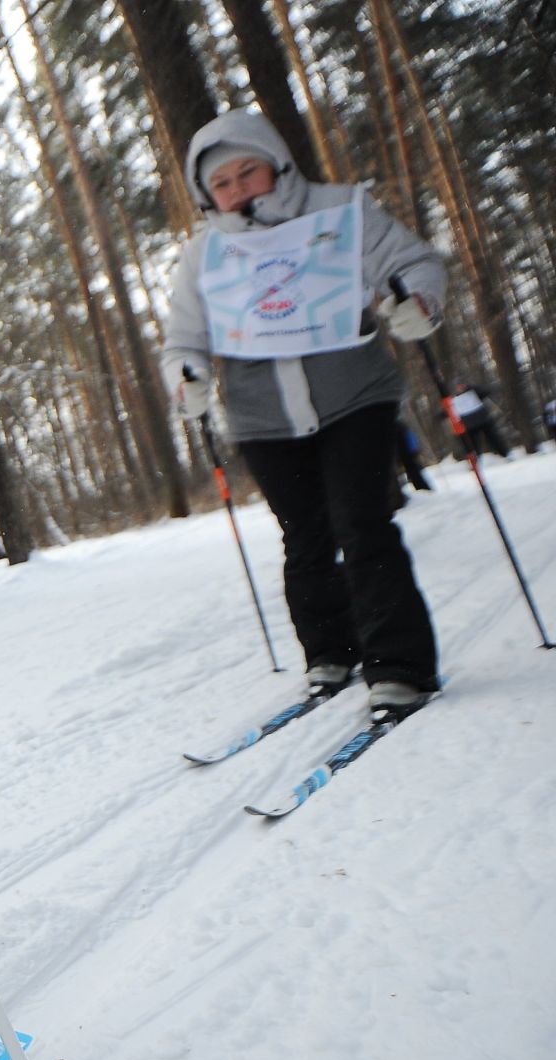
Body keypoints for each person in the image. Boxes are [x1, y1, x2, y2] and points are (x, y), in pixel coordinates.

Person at [161, 109, 445, 717]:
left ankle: (399, 665)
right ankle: (329, 652)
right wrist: (185, 377)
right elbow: (184, 336)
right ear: (207, 194)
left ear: (276, 164)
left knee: (362, 523)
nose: (239, 189)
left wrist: (416, 301)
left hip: (353, 395)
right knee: (306, 537)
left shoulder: (338, 210)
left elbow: (412, 263)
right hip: (262, 415)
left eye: (248, 172)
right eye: (224, 183)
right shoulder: (203, 253)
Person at [448, 379, 507, 459]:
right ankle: (475, 461)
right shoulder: (454, 399)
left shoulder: (474, 391)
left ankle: (504, 454)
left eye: (462, 385)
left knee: (493, 438)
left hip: (483, 420)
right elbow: (448, 410)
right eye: (458, 386)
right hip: (469, 425)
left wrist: (472, 388)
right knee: (472, 445)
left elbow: (485, 391)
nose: (460, 388)